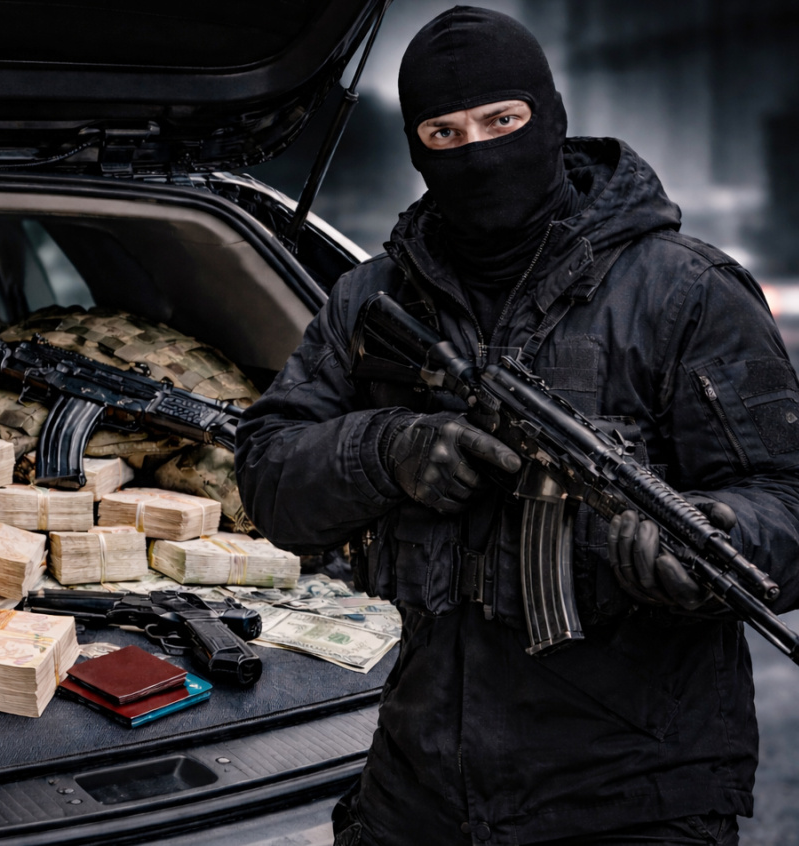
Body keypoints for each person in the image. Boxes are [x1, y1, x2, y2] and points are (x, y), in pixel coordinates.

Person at [235, 6, 799, 845]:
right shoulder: (373, 299)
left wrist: (721, 532)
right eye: (445, 132)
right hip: (420, 785)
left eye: (502, 121)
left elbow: (787, 493)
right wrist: (389, 449)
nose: (478, 152)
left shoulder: (685, 292)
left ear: (552, 116)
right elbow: (269, 474)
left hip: (634, 794)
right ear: (417, 148)